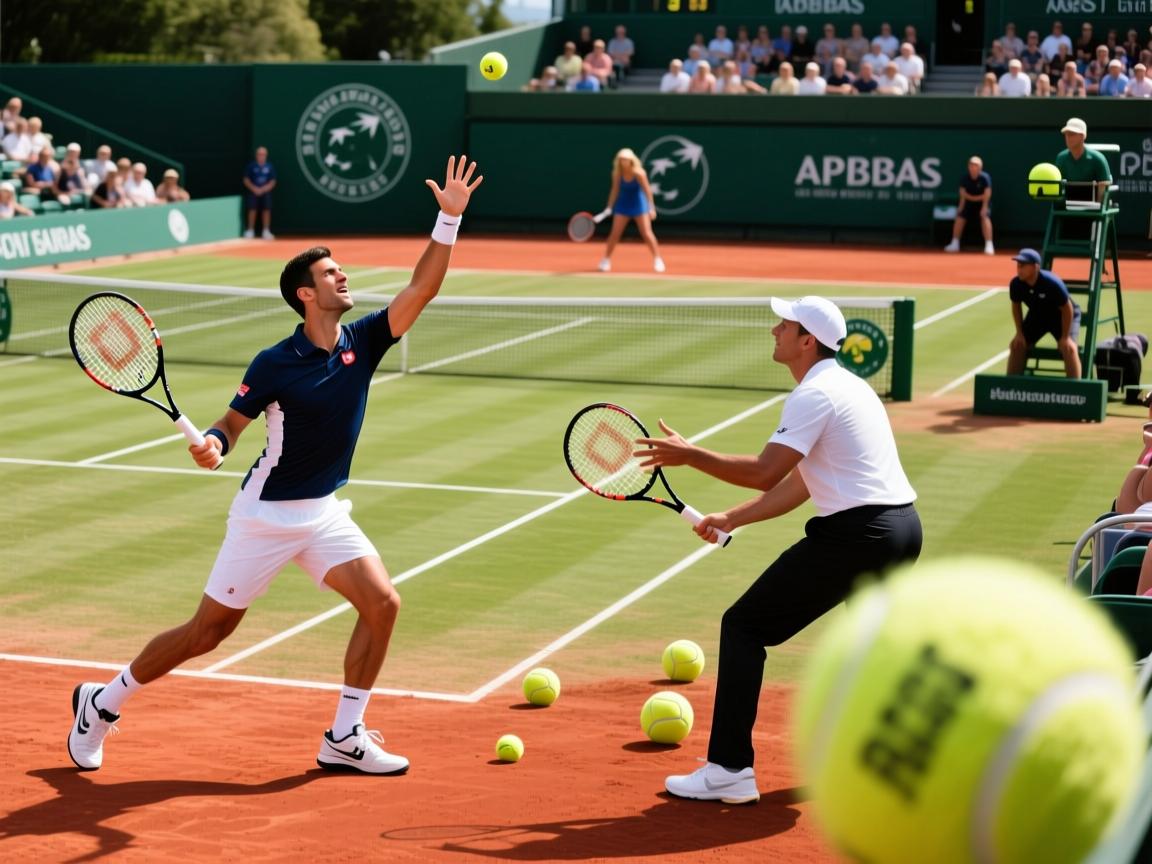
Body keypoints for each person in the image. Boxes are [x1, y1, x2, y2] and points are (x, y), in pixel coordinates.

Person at [66, 154, 485, 775]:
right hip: (265, 515)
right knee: (207, 634)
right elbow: (231, 425)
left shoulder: (364, 341)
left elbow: (421, 287)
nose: (344, 278)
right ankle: (101, 703)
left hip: (322, 512)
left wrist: (447, 221)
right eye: (331, 273)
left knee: (383, 604)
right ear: (304, 293)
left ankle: (344, 735)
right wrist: (211, 441)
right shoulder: (273, 363)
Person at [639, 295, 921, 804]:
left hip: (859, 536)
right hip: (901, 530)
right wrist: (734, 517)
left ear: (806, 340)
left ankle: (728, 770)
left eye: (784, 325)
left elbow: (766, 470)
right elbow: (801, 483)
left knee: (745, 626)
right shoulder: (849, 388)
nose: (774, 330)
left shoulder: (814, 395)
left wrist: (689, 455)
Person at [1006, 248, 1081, 379]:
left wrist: (1065, 337)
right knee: (1017, 345)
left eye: (1023, 265)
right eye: (1018, 265)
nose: (1019, 269)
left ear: (1035, 267)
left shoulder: (1052, 283)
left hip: (1061, 317)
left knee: (1069, 349)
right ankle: (1010, 388)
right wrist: (1019, 333)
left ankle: (1075, 392)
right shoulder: (1016, 284)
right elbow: (1016, 306)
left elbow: (1067, 309)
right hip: (1037, 315)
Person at [598, 147, 663, 274]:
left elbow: (647, 191)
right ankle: (606, 260)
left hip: (639, 205)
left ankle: (658, 259)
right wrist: (609, 207)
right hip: (623, 205)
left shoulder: (639, 173)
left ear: (631, 160)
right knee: (614, 234)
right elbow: (615, 190)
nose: (624, 162)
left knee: (646, 233)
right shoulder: (617, 174)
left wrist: (651, 207)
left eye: (626, 160)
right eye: (622, 160)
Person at [944, 156, 994, 255]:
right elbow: (962, 194)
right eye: (971, 165)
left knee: (985, 217)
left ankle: (989, 245)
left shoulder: (985, 178)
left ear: (980, 167)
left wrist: (984, 208)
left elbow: (987, 194)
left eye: (975, 165)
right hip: (968, 203)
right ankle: (955, 243)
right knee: (960, 216)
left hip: (982, 203)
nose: (973, 167)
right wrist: (961, 207)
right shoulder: (964, 178)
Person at [1055, 116, 1111, 203]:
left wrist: (1097, 209)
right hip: (1066, 210)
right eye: (1066, 134)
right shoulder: (1061, 158)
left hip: (1093, 211)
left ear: (1083, 136)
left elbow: (1103, 188)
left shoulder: (1098, 159)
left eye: (1072, 134)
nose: (1068, 138)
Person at [243, 146, 277, 239]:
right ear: (256, 155)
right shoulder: (251, 166)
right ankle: (250, 230)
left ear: (266, 155)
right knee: (252, 210)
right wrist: (254, 188)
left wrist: (264, 189)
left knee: (266, 210)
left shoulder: (269, 166)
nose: (261, 156)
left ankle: (266, 231)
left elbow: (273, 181)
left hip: (265, 192)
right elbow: (246, 179)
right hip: (253, 192)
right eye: (259, 154)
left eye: (263, 154)